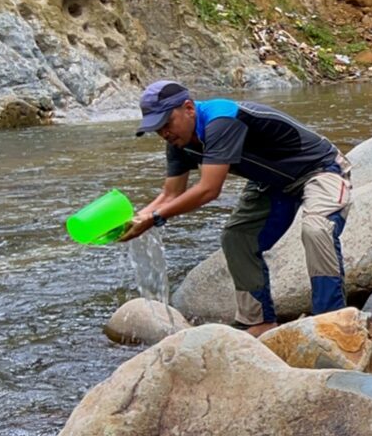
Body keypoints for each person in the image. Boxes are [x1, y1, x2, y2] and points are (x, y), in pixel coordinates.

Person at [120, 80, 352, 335]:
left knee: (317, 230)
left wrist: (153, 219)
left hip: (320, 168)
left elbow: (209, 189)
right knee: (237, 238)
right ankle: (259, 320)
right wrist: (135, 220)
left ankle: (331, 319)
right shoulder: (179, 141)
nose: (164, 133)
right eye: (157, 128)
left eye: (166, 123)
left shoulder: (221, 120)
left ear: (188, 108)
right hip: (271, 183)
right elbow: (170, 193)